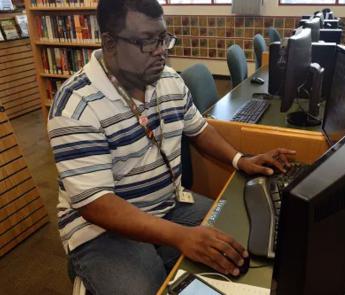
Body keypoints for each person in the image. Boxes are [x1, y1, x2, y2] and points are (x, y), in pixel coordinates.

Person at [47, 0, 296, 294]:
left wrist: (241, 159)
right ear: (110, 43)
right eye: (146, 42)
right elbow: (97, 205)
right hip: (101, 232)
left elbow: (198, 129)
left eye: (163, 38)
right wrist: (181, 236)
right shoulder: (75, 106)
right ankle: (87, 276)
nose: (161, 50)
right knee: (148, 288)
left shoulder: (168, 79)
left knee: (242, 241)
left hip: (168, 206)